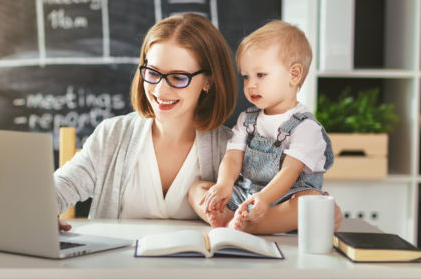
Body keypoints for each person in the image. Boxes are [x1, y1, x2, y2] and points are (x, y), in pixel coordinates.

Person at [54, 13, 237, 230]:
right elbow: (60, 186)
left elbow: (250, 221)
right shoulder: (113, 134)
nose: (160, 90)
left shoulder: (232, 150)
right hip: (116, 263)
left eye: (178, 77)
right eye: (152, 73)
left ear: (209, 81)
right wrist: (42, 211)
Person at [188, 20, 338, 234]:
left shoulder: (306, 127)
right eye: (246, 76)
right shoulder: (247, 119)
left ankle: (253, 225)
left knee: (312, 200)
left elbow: (289, 172)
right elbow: (232, 157)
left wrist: (265, 200)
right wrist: (223, 185)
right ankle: (232, 217)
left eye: (261, 75)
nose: (251, 85)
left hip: (283, 199)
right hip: (247, 195)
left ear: (293, 75)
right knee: (197, 189)